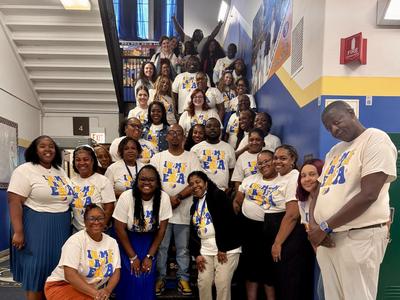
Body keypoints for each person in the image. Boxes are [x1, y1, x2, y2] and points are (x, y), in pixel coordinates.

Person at [309, 101, 397, 300]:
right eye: (328, 128)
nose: (334, 129)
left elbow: (369, 194)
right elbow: (318, 192)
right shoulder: (334, 151)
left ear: (351, 113)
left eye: (337, 122)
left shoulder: (375, 139)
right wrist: (314, 227)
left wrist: (324, 227)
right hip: (328, 239)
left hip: (358, 237)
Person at [8, 135, 75, 300]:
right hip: (37, 226)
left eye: (51, 146)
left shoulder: (59, 170)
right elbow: (14, 200)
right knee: (37, 272)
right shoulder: (25, 170)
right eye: (42, 146)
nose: (48, 149)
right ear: (34, 150)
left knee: (55, 272)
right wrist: (18, 231)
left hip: (61, 228)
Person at [151, 124, 201, 296]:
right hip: (162, 213)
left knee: (183, 249)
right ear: (166, 137)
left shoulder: (192, 157)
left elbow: (195, 182)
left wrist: (178, 197)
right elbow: (153, 182)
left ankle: (183, 279)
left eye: (178, 133)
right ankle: (160, 279)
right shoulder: (157, 158)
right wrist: (167, 200)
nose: (174, 136)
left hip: (184, 212)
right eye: (171, 133)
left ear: (183, 137)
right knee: (162, 248)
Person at [112, 165, 173, 299]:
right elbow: (119, 228)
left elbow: (162, 230)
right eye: (143, 179)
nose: (146, 183)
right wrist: (133, 257)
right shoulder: (126, 196)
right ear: (137, 180)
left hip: (149, 244)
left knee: (145, 278)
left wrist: (149, 256)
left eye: (151, 180)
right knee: (131, 278)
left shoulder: (163, 198)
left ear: (157, 183)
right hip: (127, 242)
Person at [45, 204, 121, 300]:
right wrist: (96, 294)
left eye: (100, 218)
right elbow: (70, 275)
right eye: (92, 219)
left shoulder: (112, 242)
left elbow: (116, 271)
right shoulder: (75, 241)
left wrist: (107, 290)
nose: (96, 222)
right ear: (85, 222)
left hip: (89, 289)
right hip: (62, 285)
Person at [188, 170, 241, 300]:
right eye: (191, 184)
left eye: (197, 182)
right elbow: (193, 231)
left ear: (206, 183)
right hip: (205, 249)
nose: (195, 186)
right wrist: (197, 254)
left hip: (226, 248)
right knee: (203, 283)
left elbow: (227, 222)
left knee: (222, 284)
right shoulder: (194, 204)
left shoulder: (218, 195)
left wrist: (223, 247)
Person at [232, 150, 277, 300]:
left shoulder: (282, 180)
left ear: (274, 161)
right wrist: (236, 203)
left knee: (268, 269)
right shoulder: (250, 179)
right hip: (249, 229)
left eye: (267, 161)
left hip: (270, 230)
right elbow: (239, 197)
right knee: (250, 269)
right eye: (260, 162)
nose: (263, 164)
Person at [296, 158, 325, 300]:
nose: (307, 179)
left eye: (312, 174)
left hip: (341, 253)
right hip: (323, 255)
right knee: (323, 293)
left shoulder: (330, 198)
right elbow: (311, 235)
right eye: (303, 175)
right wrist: (321, 258)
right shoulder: (303, 202)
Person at [71, 145, 116, 232]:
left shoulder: (103, 181)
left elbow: (109, 208)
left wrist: (101, 227)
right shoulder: (71, 182)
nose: (82, 163)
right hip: (77, 230)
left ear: (92, 161)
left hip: (98, 229)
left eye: (86, 159)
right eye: (78, 160)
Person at [191, 118, 236, 192]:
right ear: (205, 130)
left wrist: (230, 188)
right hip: (202, 191)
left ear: (220, 130)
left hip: (222, 191)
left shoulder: (229, 148)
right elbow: (192, 173)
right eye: (209, 126)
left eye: (216, 126)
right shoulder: (195, 149)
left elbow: (231, 170)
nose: (212, 128)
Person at [231, 128, 265, 193]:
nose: (254, 142)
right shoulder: (242, 157)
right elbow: (238, 181)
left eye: (258, 140)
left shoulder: (268, 154)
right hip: (248, 193)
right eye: (251, 140)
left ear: (263, 141)